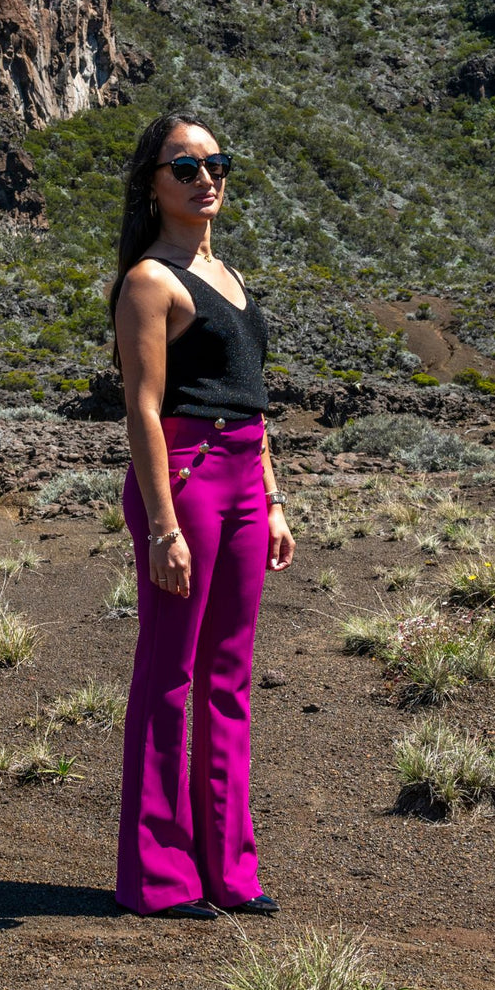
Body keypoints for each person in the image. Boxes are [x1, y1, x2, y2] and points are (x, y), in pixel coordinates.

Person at [109, 112, 295, 920]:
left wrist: (276, 498)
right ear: (151, 184)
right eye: (183, 167)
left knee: (229, 678)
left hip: (246, 477)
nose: (204, 178)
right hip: (184, 477)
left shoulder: (230, 276)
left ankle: (230, 870)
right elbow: (143, 410)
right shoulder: (151, 280)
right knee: (169, 674)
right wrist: (161, 527)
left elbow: (251, 400)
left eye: (215, 163)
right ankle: (157, 877)